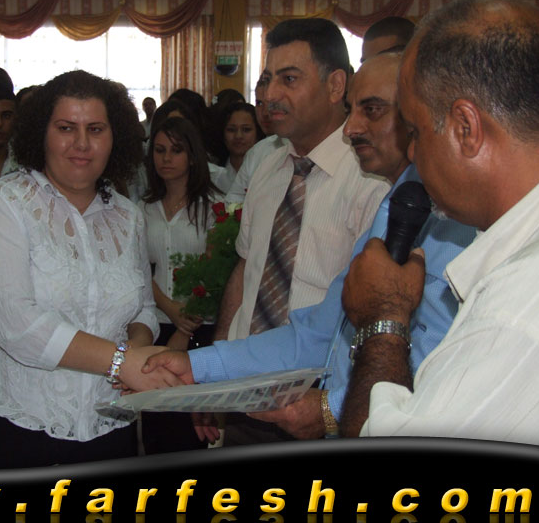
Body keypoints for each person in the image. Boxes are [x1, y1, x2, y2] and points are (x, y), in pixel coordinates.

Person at [142, 52, 476, 444]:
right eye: (354, 109)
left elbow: (451, 372)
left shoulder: (461, 220)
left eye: (372, 110)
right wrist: (199, 367)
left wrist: (331, 410)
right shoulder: (397, 204)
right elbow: (319, 331)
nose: (351, 128)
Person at [339, 0, 539, 450]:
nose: (412, 154)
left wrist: (383, 320)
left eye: (416, 131)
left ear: (466, 128)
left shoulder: (521, 311)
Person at [0, 70, 177, 469]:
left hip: (108, 425)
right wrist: (122, 362)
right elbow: (17, 325)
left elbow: (142, 307)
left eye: (96, 129)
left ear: (116, 137)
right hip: (14, 426)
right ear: (41, 134)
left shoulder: (127, 216)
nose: (82, 143)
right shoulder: (2, 206)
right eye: (66, 128)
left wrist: (135, 353)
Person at [208, 17, 389, 445]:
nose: (270, 95)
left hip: (317, 402)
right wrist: (218, 366)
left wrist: (335, 405)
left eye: (289, 79)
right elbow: (246, 270)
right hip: (245, 392)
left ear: (336, 85)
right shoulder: (267, 165)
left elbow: (376, 312)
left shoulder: (371, 179)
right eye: (267, 79)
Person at [138, 115, 222, 455]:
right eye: (159, 150)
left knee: (192, 426)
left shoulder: (212, 207)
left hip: (200, 325)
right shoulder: (143, 209)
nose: (166, 158)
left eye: (175, 150)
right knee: (158, 424)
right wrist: (171, 310)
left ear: (192, 156)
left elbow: (217, 271)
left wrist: (185, 326)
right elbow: (138, 270)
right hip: (157, 323)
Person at [212, 102, 264, 194]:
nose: (238, 136)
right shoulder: (212, 175)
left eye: (246, 129)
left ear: (258, 132)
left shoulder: (268, 171)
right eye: (231, 130)